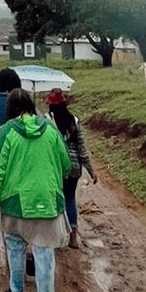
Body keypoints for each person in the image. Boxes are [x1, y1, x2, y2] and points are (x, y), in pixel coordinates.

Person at [0, 89, 73, 292]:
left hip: (15, 201)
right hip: (47, 202)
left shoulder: (7, 133)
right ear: (32, 107)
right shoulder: (51, 130)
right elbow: (66, 163)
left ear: (10, 110)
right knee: (45, 255)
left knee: (15, 246)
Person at [46, 89, 97, 250]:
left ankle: (54, 236)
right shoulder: (74, 121)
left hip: (55, 166)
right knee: (69, 199)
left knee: (55, 200)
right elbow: (81, 147)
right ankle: (73, 236)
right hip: (74, 166)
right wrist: (91, 170)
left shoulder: (47, 122)